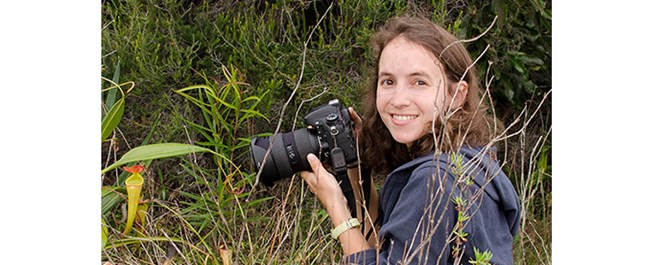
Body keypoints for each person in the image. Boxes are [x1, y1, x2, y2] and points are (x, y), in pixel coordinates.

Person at [299, 14, 521, 264]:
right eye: (388, 81)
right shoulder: (470, 160)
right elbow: (386, 249)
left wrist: (336, 207)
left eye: (419, 82)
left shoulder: (435, 179)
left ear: (456, 96)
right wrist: (355, 167)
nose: (399, 99)